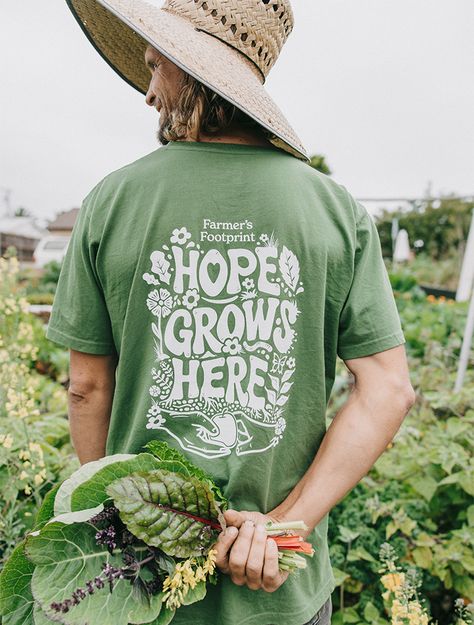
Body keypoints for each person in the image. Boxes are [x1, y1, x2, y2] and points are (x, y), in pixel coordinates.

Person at [46, 1, 416, 624]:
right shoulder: (334, 210)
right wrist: (282, 526)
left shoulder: (112, 200)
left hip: (144, 585)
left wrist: (112, 525)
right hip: (282, 591)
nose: (149, 93)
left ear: (193, 72)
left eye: (155, 63)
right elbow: (389, 389)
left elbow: (87, 387)